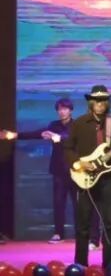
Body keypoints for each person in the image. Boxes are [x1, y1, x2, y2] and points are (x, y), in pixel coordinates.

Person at [1, 97, 99, 245]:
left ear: (70, 110)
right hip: (58, 171)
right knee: (58, 202)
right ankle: (58, 233)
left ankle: (82, 233)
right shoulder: (54, 125)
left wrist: (58, 137)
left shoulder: (77, 125)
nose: (61, 112)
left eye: (64, 109)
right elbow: (38, 133)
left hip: (76, 171)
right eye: (59, 109)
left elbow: (74, 140)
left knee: (78, 204)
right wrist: (15, 135)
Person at [64, 85, 111, 266]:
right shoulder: (79, 123)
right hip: (85, 178)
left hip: (108, 178)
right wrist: (79, 163)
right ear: (91, 102)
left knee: (110, 224)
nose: (100, 104)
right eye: (97, 101)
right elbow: (68, 148)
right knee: (83, 225)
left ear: (108, 102)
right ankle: (81, 264)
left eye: (103, 100)